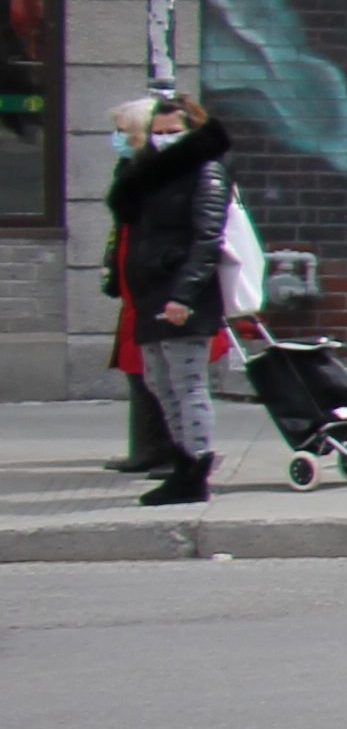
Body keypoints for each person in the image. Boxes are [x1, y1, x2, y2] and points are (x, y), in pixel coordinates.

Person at [109, 89, 234, 510]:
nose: (164, 139)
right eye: (158, 132)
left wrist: (184, 294)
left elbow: (207, 238)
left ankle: (195, 468)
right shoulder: (152, 174)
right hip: (151, 293)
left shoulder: (206, 171)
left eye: (173, 131)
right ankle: (182, 463)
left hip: (183, 295)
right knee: (160, 384)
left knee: (187, 385)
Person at [96, 97, 169, 473]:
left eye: (123, 131)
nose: (118, 138)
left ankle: (162, 451)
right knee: (138, 370)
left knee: (156, 372)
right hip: (135, 286)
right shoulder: (131, 168)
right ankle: (145, 449)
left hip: (153, 289)